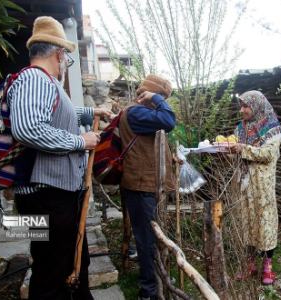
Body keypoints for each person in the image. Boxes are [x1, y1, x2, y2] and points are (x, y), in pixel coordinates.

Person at [9, 16, 111, 299]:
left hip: (53, 194)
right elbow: (29, 128)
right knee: (51, 272)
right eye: (66, 56)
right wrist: (81, 141)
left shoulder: (44, 83)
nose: (66, 61)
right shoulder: (34, 79)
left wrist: (90, 114)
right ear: (59, 54)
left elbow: (57, 114)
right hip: (45, 195)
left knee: (69, 262)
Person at [119, 74, 176, 300]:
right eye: (161, 97)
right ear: (149, 93)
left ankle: (156, 281)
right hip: (141, 186)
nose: (163, 101)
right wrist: (156, 98)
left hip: (146, 185)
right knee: (146, 240)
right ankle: (149, 291)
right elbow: (169, 120)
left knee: (151, 238)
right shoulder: (136, 112)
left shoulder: (142, 114)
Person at [230, 90, 281, 285]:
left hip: (262, 184)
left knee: (265, 221)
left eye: (246, 106)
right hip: (244, 184)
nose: (242, 110)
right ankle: (250, 263)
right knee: (247, 221)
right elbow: (235, 151)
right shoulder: (240, 129)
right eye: (241, 106)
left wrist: (243, 149)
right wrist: (225, 149)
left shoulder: (271, 127)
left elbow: (268, 154)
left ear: (257, 106)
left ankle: (268, 265)